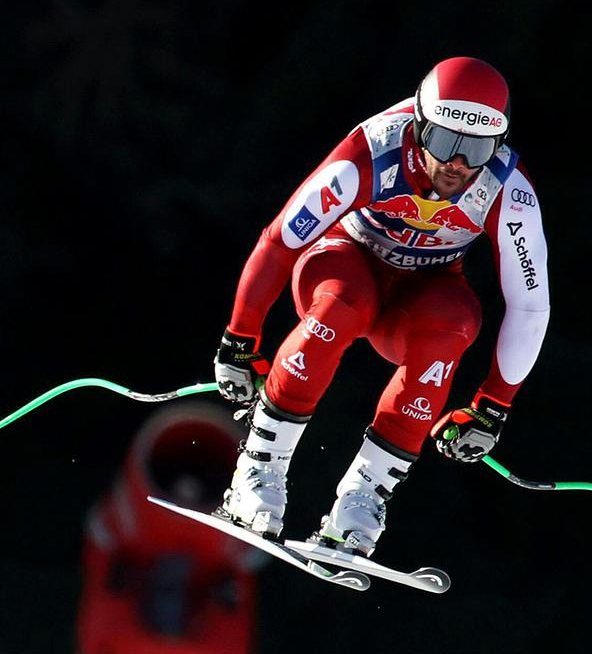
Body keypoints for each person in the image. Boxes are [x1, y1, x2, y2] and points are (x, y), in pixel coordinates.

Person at [212, 57, 550, 557]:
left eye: (476, 148)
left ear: (496, 145)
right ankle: (257, 471)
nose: (457, 164)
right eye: (444, 142)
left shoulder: (506, 189)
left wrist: (493, 406)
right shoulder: (372, 153)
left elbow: (529, 306)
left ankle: (361, 502)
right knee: (345, 305)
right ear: (418, 126)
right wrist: (239, 339)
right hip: (343, 265)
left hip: (421, 294)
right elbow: (283, 239)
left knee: (455, 323)